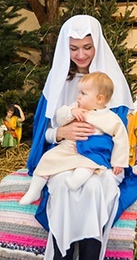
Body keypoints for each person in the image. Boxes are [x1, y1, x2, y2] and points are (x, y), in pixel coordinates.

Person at [25, 14, 137, 260]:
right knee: (64, 188)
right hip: (65, 158)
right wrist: (61, 132)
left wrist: (113, 161)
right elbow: (44, 135)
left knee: (93, 190)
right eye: (74, 48)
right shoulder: (58, 83)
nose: (80, 55)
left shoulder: (109, 84)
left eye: (87, 47)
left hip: (100, 163)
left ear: (97, 46)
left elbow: (123, 136)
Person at [20, 72, 129, 204]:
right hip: (68, 147)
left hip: (91, 152)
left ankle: (76, 181)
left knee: (89, 165)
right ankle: (34, 191)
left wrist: (118, 161)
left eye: (83, 93)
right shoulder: (75, 108)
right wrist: (70, 112)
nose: (78, 97)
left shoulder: (110, 118)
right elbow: (60, 117)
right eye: (79, 92)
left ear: (99, 99)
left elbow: (121, 139)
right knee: (47, 159)